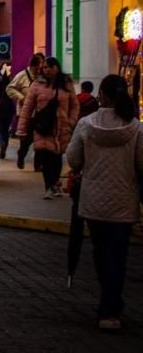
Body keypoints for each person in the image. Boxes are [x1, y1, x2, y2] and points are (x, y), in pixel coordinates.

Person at [66, 74, 143, 331]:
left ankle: (108, 304)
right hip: (123, 201)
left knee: (100, 253)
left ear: (103, 96)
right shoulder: (136, 127)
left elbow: (74, 158)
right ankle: (111, 308)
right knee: (117, 257)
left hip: (93, 201)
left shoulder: (86, 124)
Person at [16, 56, 79, 199]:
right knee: (45, 156)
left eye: (50, 66)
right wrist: (21, 129)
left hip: (62, 128)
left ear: (57, 68)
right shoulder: (36, 84)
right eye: (45, 67)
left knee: (57, 157)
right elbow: (27, 108)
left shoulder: (66, 83)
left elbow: (74, 105)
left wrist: (71, 121)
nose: (47, 70)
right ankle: (49, 187)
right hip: (42, 127)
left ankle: (54, 184)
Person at [6, 53, 45, 169]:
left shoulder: (42, 78)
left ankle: (38, 164)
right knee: (27, 140)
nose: (39, 70)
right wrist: (21, 98)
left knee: (40, 139)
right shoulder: (22, 76)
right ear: (32, 66)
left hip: (40, 113)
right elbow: (9, 88)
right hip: (27, 114)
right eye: (37, 68)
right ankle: (21, 155)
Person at [0, 62, 14, 159]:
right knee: (5, 129)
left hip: (0, 107)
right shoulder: (12, 79)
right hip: (9, 106)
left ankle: (0, 145)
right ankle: (3, 148)